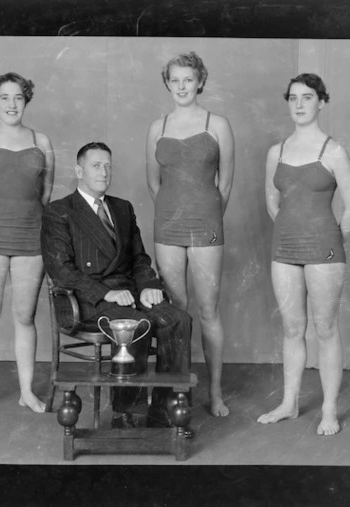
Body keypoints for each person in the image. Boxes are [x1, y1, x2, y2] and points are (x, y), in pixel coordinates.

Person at [41, 142, 193, 434]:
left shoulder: (122, 208)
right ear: (78, 171)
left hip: (129, 294)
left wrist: (149, 285)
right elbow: (60, 270)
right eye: (96, 166)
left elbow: (139, 258)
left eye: (108, 166)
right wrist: (104, 293)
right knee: (135, 324)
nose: (104, 172)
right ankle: (125, 413)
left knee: (178, 319)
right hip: (88, 299)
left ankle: (166, 412)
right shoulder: (60, 211)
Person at [257, 73, 350, 436]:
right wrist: (292, 229)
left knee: (326, 328)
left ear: (322, 102)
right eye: (293, 98)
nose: (299, 104)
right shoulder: (277, 152)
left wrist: (333, 238)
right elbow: (272, 201)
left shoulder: (333, 150)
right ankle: (289, 403)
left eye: (307, 97)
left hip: (325, 250)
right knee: (292, 328)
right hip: (284, 248)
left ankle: (330, 409)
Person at [146, 52, 235, 417]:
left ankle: (214, 394)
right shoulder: (158, 127)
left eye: (188, 79)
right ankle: (176, 390)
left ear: (200, 81)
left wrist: (206, 214)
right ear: (167, 83)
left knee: (208, 310)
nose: (181, 86)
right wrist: (173, 213)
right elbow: (153, 182)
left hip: (207, 225)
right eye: (175, 80)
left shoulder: (219, 124)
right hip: (167, 226)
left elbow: (225, 183)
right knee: (175, 312)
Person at [0, 72, 55, 417]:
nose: (12, 104)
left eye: (18, 97)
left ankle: (27, 392)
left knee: (24, 316)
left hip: (32, 233)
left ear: (26, 100)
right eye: (4, 97)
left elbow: (44, 195)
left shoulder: (41, 141)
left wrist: (23, 219)